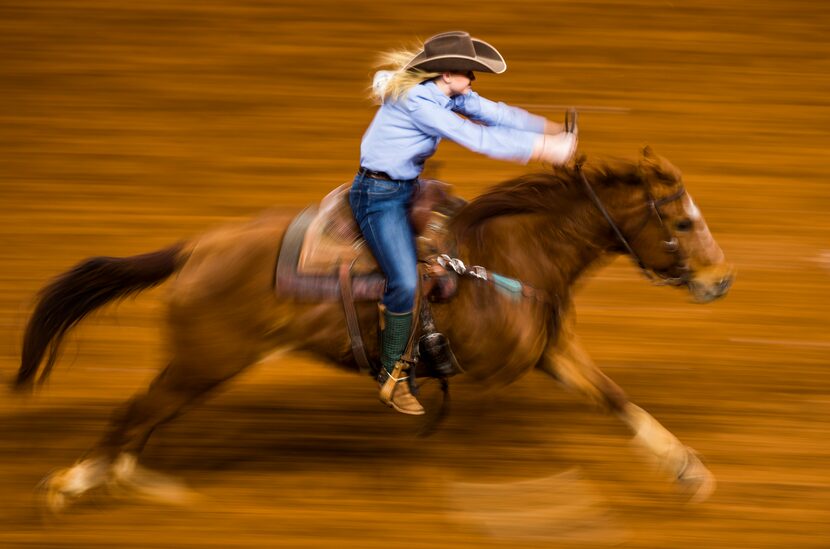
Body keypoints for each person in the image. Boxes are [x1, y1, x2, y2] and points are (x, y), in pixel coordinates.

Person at [350, 31, 577, 415]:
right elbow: (477, 138)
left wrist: (549, 129)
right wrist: (546, 150)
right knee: (404, 281)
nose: (472, 80)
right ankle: (392, 374)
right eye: (468, 72)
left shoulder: (449, 94)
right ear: (446, 74)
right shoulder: (419, 103)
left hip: (407, 187)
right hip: (378, 197)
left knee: (470, 229)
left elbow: (497, 114)